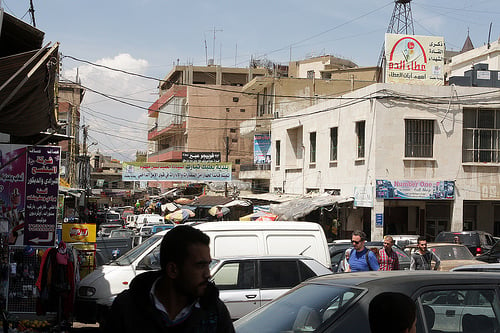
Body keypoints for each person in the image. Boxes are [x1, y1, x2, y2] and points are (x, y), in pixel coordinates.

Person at [104, 225, 235, 333]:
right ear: (173, 270)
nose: (208, 274)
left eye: (208, 264)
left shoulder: (214, 311)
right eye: (200, 265)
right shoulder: (127, 308)